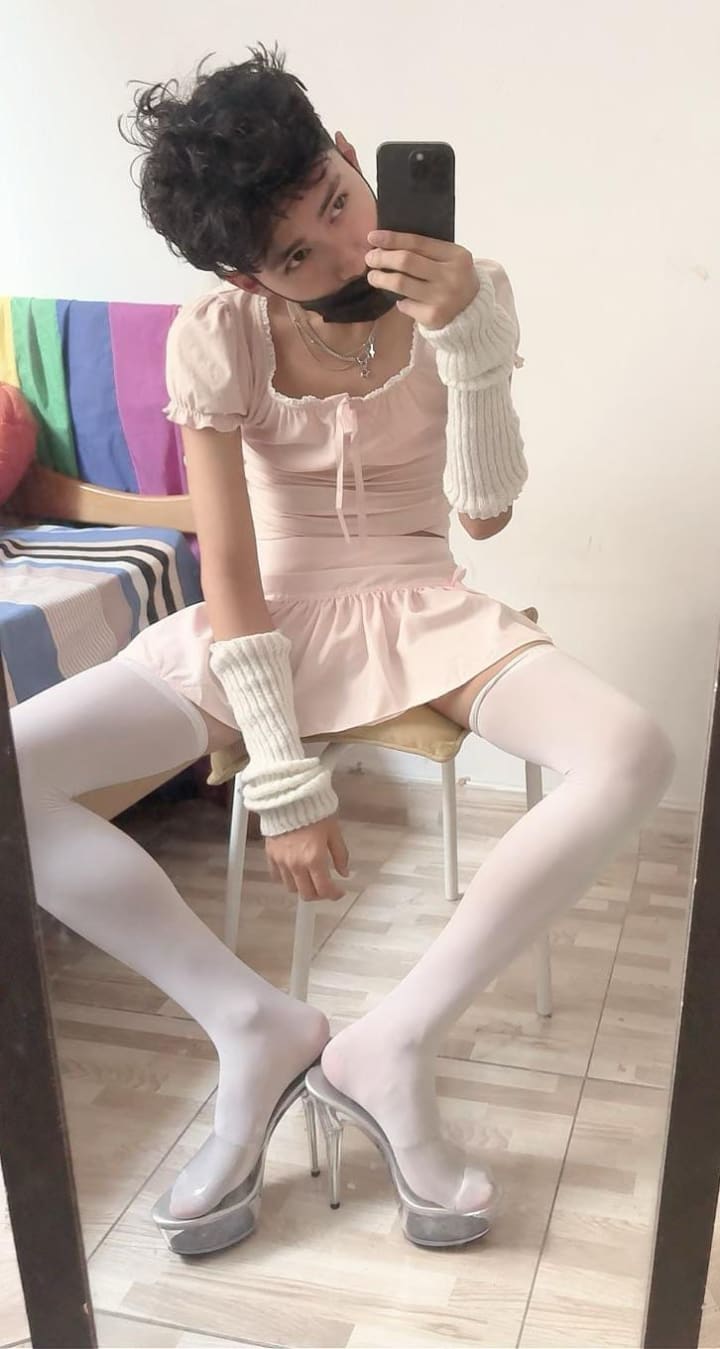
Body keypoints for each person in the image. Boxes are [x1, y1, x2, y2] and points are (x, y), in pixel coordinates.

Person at [12, 44, 675, 1253]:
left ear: (353, 157)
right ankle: (250, 1024)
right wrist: (284, 776)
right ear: (242, 273)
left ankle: (392, 1041)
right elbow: (230, 566)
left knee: (632, 750)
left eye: (336, 200)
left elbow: (485, 512)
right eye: (293, 256)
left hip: (422, 598)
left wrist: (470, 338)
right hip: (264, 614)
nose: (339, 249)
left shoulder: (467, 291)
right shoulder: (222, 331)